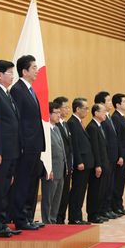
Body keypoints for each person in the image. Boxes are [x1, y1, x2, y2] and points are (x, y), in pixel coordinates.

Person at [10, 55, 45, 230]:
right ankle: (20, 219)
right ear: (24, 71)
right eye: (33, 68)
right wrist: (21, 145)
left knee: (32, 182)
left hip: (35, 145)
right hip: (26, 146)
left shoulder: (30, 89)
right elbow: (18, 120)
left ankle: (28, 216)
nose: (37, 71)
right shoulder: (17, 90)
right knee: (23, 182)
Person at [0, 60, 21, 237]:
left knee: (5, 189)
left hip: (11, 150)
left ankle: (1, 223)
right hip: (1, 152)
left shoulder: (6, 93)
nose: (12, 75)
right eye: (9, 72)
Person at [94, 91, 121, 220]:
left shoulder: (108, 117)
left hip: (113, 157)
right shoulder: (101, 120)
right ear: (101, 104)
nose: (110, 103)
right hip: (107, 157)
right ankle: (103, 209)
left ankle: (108, 208)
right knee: (104, 186)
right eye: (108, 101)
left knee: (110, 185)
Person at [67, 97, 94, 225]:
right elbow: (75, 144)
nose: (87, 111)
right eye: (85, 108)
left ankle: (78, 215)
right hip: (81, 163)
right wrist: (78, 161)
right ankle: (74, 217)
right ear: (77, 109)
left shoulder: (79, 122)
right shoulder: (72, 122)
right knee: (77, 191)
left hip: (86, 161)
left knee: (82, 190)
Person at [40, 102, 67, 224]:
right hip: (51, 170)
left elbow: (61, 149)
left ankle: (53, 219)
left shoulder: (56, 128)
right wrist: (48, 168)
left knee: (57, 199)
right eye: (56, 113)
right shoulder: (45, 130)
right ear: (48, 114)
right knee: (48, 199)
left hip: (60, 169)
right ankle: (47, 221)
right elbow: (45, 152)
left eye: (59, 112)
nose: (59, 115)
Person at [85, 103, 110, 223]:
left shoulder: (100, 126)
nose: (105, 114)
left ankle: (99, 212)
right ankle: (92, 214)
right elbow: (94, 148)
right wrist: (98, 165)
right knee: (95, 190)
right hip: (97, 164)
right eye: (103, 111)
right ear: (96, 113)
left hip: (104, 163)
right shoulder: (92, 127)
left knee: (102, 190)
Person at [53, 96, 74, 224]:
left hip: (67, 164)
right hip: (59, 164)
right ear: (58, 109)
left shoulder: (65, 124)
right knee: (57, 195)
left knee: (65, 193)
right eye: (65, 107)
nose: (67, 110)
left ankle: (61, 217)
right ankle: (56, 219)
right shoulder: (55, 126)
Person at [111, 93, 125, 216]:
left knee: (121, 181)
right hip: (121, 156)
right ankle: (116, 206)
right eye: (124, 101)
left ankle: (119, 205)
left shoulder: (122, 117)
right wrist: (120, 155)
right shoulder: (115, 117)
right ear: (118, 104)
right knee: (117, 181)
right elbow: (117, 139)